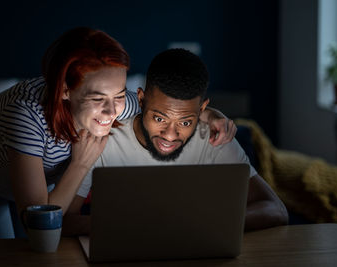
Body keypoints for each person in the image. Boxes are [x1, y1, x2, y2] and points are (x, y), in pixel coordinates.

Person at [0, 28, 236, 239]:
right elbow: (37, 221)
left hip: (34, 183)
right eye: (98, 99)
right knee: (6, 254)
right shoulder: (26, 117)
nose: (111, 112)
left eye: (119, 95)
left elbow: (162, 109)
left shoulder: (117, 105)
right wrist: (81, 163)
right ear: (65, 91)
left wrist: (211, 115)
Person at [63, 48, 289, 235]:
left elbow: (276, 210)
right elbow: (65, 221)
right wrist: (131, 227)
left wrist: (203, 225)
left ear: (202, 110)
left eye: (185, 122)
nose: (170, 135)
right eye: (159, 118)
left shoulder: (212, 137)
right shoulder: (104, 140)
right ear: (140, 100)